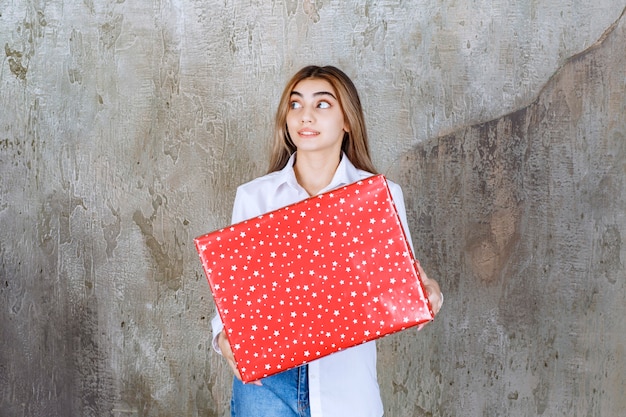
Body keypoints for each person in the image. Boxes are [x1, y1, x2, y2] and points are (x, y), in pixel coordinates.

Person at [211, 65, 443, 417]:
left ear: (347, 120)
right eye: (295, 104)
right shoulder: (254, 197)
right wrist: (222, 339)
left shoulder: (379, 196)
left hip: (346, 384)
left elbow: (399, 288)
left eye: (322, 105)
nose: (306, 115)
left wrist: (428, 294)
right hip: (267, 385)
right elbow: (232, 301)